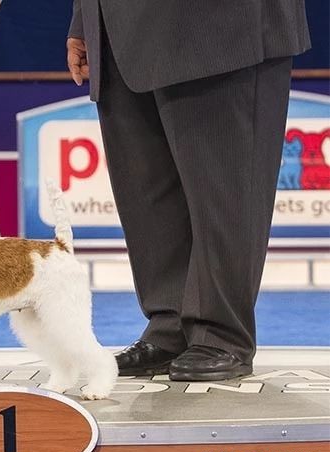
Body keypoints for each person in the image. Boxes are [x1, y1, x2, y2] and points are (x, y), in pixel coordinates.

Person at [66, 1, 310, 381]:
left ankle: (221, 333)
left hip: (217, 25)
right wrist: (86, 18)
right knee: (146, 194)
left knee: (225, 190)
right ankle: (171, 325)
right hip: (117, 28)